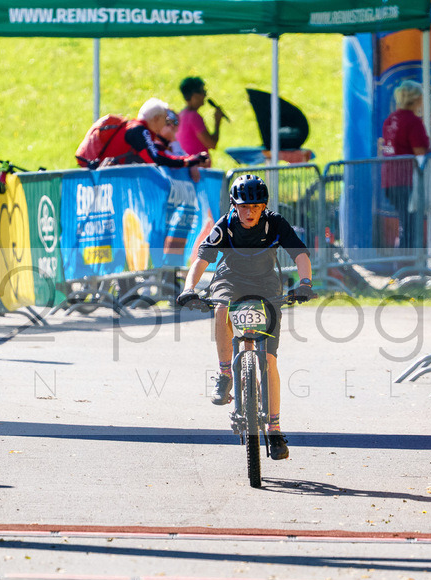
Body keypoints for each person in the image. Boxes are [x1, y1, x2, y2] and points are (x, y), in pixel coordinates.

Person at [177, 174, 315, 460]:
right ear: (233, 205)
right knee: (221, 307)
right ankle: (226, 372)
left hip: (266, 284)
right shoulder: (225, 225)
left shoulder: (275, 223)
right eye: (243, 206)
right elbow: (202, 259)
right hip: (231, 280)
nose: (249, 212)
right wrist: (190, 288)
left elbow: (300, 254)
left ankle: (274, 430)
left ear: (264, 206)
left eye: (255, 206)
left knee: (269, 361)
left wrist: (305, 284)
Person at [380, 80, 431, 250]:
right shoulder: (413, 122)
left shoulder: (390, 120)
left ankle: (402, 263)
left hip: (389, 178)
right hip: (406, 179)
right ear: (418, 99)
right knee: (411, 226)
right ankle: (408, 264)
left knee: (406, 222)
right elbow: (420, 152)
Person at [76, 98, 209, 170]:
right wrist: (189, 161)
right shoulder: (140, 130)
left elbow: (158, 157)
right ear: (156, 119)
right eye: (165, 120)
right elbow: (155, 160)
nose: (165, 124)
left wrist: (190, 159)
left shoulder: (138, 129)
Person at [176, 76, 225, 157]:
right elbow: (211, 144)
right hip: (197, 166)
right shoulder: (194, 117)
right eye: (203, 91)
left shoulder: (180, 115)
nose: (205, 95)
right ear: (195, 95)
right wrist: (217, 122)